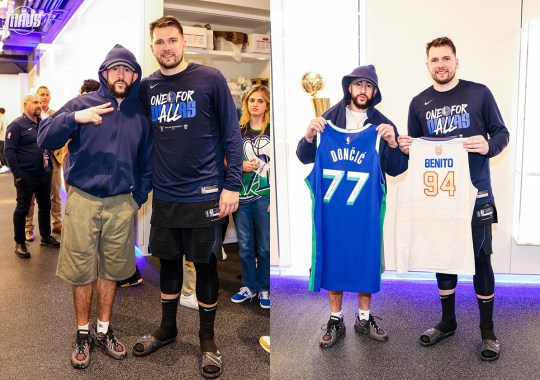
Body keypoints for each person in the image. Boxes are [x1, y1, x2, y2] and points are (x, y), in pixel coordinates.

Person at [133, 16, 242, 380]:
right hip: (165, 196)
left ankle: (208, 340)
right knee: (169, 264)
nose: (166, 47)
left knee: (207, 266)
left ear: (184, 43)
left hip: (206, 194)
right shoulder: (147, 88)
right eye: (159, 42)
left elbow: (231, 136)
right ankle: (167, 328)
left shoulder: (209, 79)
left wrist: (232, 184)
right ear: (153, 48)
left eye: (172, 40)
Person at [37, 44, 153, 370]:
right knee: (81, 270)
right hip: (83, 201)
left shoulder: (139, 115)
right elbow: (45, 137)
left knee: (113, 270)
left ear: (134, 75)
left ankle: (103, 329)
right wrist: (75, 117)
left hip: (121, 204)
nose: (120, 75)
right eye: (114, 69)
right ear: (105, 73)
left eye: (126, 69)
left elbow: (147, 163)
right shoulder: (84, 103)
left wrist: (137, 198)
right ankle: (83, 333)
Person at [397, 36, 509, 361]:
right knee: (442, 257)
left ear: (456, 62)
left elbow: (501, 133)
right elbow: (416, 152)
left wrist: (489, 145)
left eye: (446, 58)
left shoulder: (479, 93)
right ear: (427, 65)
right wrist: (407, 149)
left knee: (481, 260)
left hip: (477, 194)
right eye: (435, 60)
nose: (441, 65)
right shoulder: (418, 103)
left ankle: (487, 332)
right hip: (439, 197)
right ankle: (447, 322)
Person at [296, 65, 408, 348]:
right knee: (334, 259)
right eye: (359, 84)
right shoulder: (328, 118)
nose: (363, 90)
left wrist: (393, 144)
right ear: (350, 87)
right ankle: (335, 318)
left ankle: (364, 317)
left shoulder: (382, 123)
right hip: (333, 210)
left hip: (365, 211)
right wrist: (309, 135)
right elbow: (303, 156)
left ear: (374, 91)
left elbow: (396, 169)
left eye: (369, 86)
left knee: (365, 260)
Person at [4, 94, 60, 259]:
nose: (39, 105)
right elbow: (8, 151)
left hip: (44, 174)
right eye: (35, 102)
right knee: (22, 209)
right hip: (26, 176)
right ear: (25, 104)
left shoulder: (42, 124)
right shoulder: (16, 126)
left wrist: (49, 167)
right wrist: (18, 174)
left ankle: (45, 236)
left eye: (39, 103)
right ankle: (20, 242)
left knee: (45, 206)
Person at [230, 85, 271, 309]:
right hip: (242, 196)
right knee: (245, 246)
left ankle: (265, 287)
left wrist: (275, 199)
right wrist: (240, 164)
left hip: (265, 196)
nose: (255, 104)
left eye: (260, 101)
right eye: (252, 100)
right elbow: (226, 158)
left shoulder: (272, 130)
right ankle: (249, 286)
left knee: (264, 247)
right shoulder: (239, 129)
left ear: (266, 106)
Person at [25, 86, 63, 240]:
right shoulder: (31, 115)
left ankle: (57, 223)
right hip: (35, 162)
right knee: (31, 196)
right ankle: (28, 227)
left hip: (53, 160)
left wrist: (58, 151)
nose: (45, 97)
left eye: (47, 95)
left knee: (56, 194)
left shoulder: (56, 114)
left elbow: (62, 134)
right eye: (42, 95)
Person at [0, 107, 9, 173]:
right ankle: (6, 164)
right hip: (4, 137)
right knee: (3, 151)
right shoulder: (5, 118)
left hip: (0, 137)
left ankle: (3, 165)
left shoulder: (0, 118)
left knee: (0, 151)